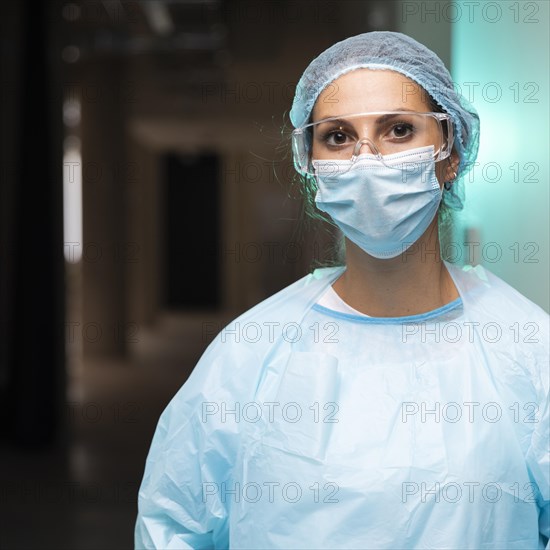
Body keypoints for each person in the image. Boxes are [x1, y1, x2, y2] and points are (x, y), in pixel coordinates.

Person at [135, 31, 549, 549]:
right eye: (337, 137)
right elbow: (173, 526)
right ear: (311, 167)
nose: (367, 159)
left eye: (398, 130)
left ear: (450, 154)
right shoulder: (251, 353)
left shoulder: (529, 351)